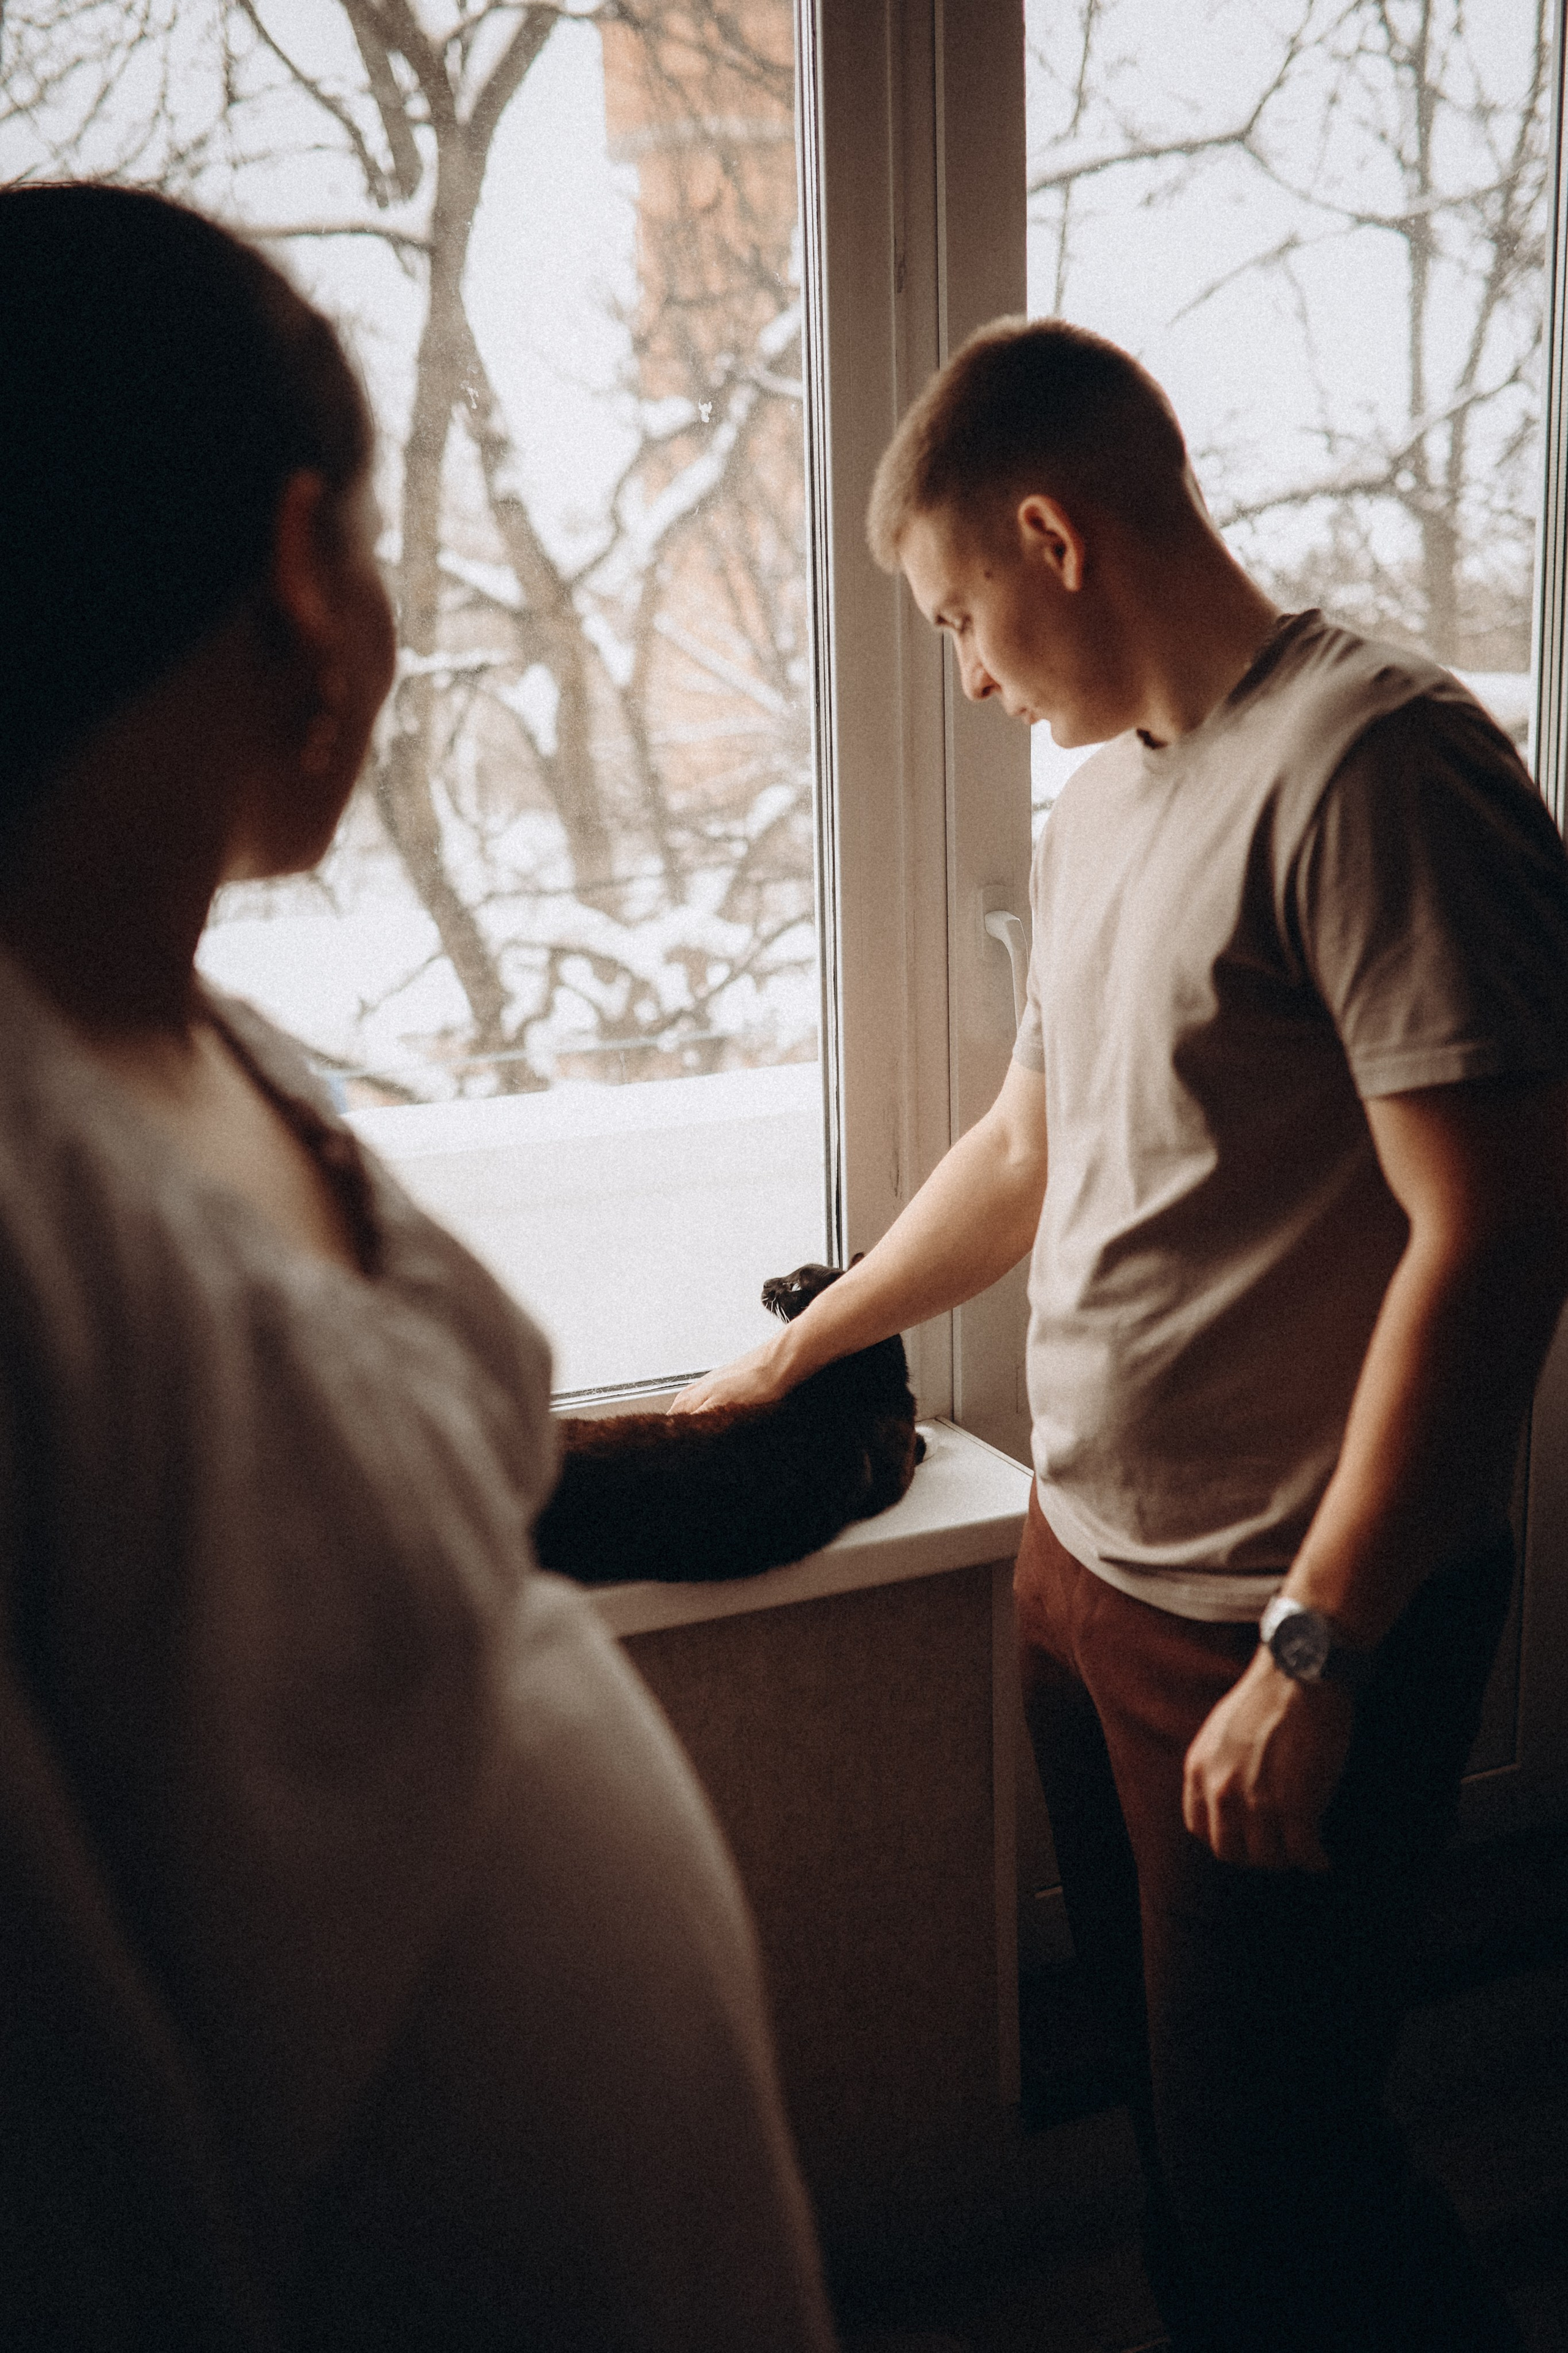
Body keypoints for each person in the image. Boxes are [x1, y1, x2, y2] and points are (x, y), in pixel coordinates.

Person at [676, 315, 1568, 2351]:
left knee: (1286, 2185)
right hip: (1087, 1581)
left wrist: (1320, 1643)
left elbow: (1502, 1229)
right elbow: (1030, 1144)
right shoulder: (1102, 813)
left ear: (1052, 534)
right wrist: (802, 1354)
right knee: (1189, 2150)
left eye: (956, 613)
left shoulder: (1380, 762)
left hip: (1282, 1618)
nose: (969, 675)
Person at [0, 183, 835, 2353]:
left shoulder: (189, 1024)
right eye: (374, 547)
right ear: (303, 568)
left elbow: (346, 1501)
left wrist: (717, 1444)